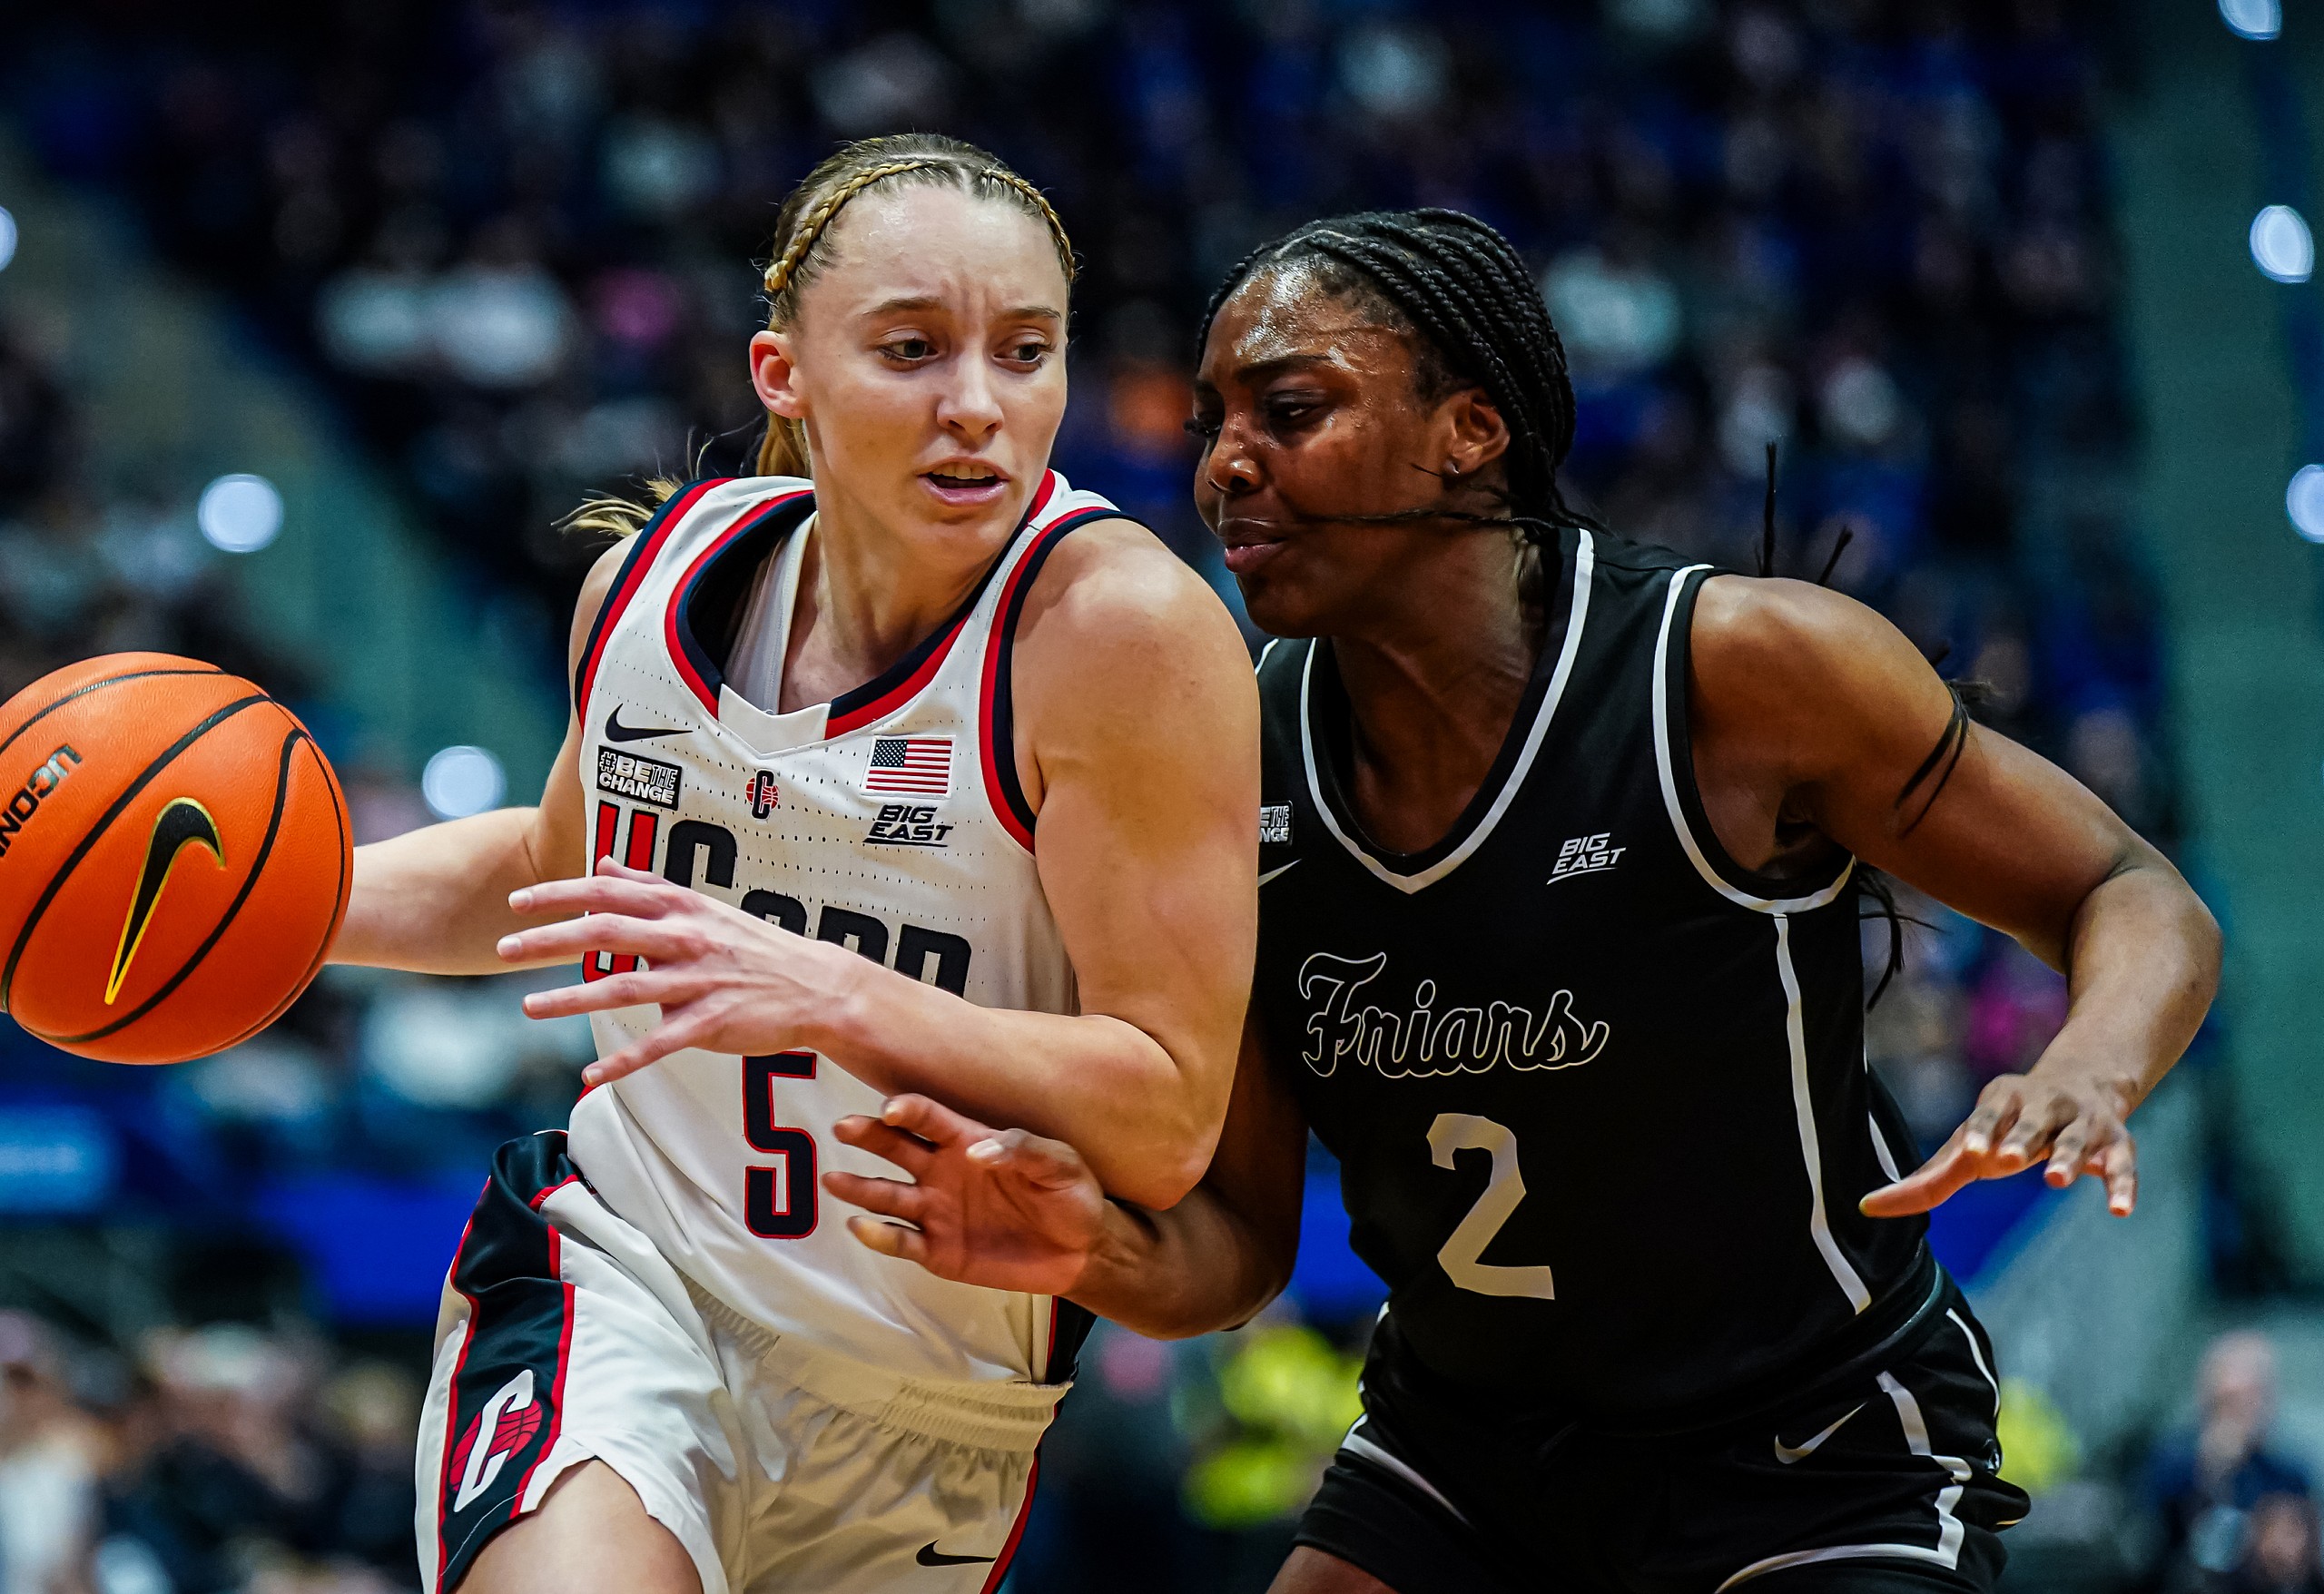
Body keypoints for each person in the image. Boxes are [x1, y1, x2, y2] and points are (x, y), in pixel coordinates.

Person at [827, 209, 2223, 1594]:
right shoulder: (1230, 767)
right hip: (1469, 1454)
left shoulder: (1736, 672)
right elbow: (1244, 1248)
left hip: (1810, 1448)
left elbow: (2129, 888)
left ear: (1471, 432)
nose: (1226, 468)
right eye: (1210, 426)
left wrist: (2088, 1068)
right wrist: (1091, 1244)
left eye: (1291, 411)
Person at [330, 133, 1258, 1594]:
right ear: (784, 376)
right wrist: (272, 906)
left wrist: (833, 992)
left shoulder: (1116, 637)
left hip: (932, 1399)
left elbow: (1162, 1120)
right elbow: (558, 875)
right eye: (910, 350)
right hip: (627, 1284)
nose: (977, 408)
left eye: (1026, 353)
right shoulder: (641, 587)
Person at [2145, 1333, 2315, 1593]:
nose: (2244, 1411)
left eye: (2255, 1396)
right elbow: (2152, 1539)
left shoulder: (2289, 1475)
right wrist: (2212, 1468)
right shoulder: (2172, 1463)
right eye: (2230, 1401)